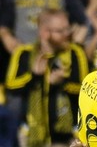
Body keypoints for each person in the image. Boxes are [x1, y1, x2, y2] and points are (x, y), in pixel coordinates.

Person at [5, 9, 89, 146]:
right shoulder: (23, 53)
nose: (67, 35)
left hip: (66, 136)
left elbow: (86, 91)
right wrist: (35, 76)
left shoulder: (76, 53)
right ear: (44, 33)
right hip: (31, 134)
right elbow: (12, 87)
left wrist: (62, 83)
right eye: (60, 31)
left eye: (67, 29)